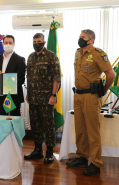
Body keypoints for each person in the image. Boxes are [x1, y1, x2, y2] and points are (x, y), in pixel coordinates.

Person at [66, 29, 115, 175]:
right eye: (79, 36)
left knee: (92, 131)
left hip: (91, 97)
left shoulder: (98, 54)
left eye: (83, 37)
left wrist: (104, 89)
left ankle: (95, 162)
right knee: (80, 129)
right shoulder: (78, 53)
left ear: (91, 40)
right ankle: (82, 156)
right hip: (78, 95)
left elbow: (111, 74)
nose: (80, 39)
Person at [24, 33, 61, 164]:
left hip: (47, 98)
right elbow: (29, 77)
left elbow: (57, 77)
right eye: (34, 41)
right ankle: (38, 150)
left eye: (38, 41)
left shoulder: (51, 56)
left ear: (44, 42)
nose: (36, 43)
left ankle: (50, 152)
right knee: (35, 124)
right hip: (33, 98)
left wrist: (53, 95)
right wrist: (28, 93)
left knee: (48, 125)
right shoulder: (30, 57)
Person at [0, 35, 26, 116]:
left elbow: (21, 79)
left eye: (10, 43)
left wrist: (5, 80)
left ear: (14, 44)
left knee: (12, 121)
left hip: (12, 98)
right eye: (6, 43)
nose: (8, 44)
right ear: (2, 44)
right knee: (1, 122)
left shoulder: (20, 59)